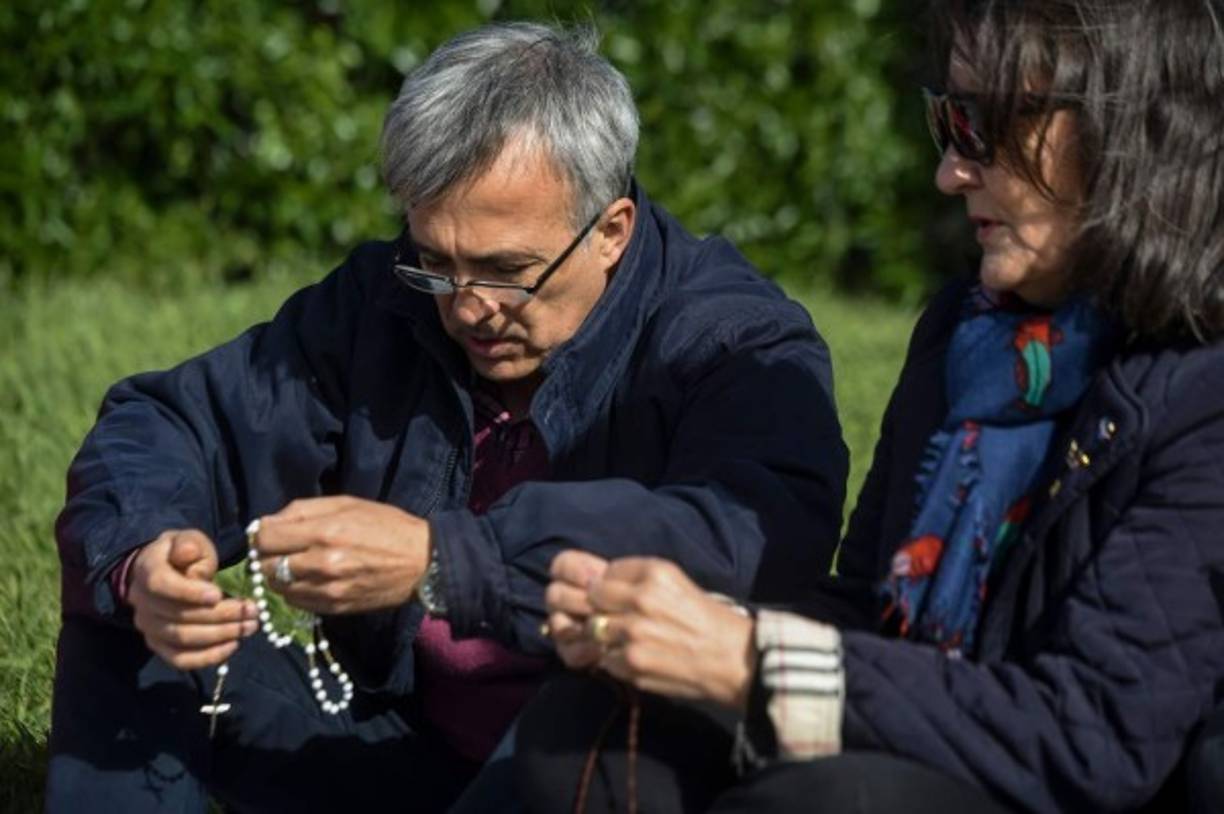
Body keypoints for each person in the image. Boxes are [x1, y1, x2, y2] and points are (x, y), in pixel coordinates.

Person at [44, 22, 848, 813]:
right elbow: (176, 422)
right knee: (127, 619)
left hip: (595, 761)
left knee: (600, 710)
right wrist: (148, 562)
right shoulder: (385, 301)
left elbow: (752, 533)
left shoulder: (735, 341)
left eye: (506, 271)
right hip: (403, 734)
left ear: (611, 231)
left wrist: (447, 560)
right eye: (436, 259)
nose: (468, 307)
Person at [519, 1, 1224, 811]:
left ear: (1133, 135)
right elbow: (870, 609)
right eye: (947, 122)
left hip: (1062, 777)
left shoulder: (1203, 394)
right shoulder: (967, 335)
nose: (950, 171)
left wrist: (752, 659)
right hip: (938, 735)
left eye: (984, 124)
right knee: (598, 718)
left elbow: (1094, 735)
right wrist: (671, 626)